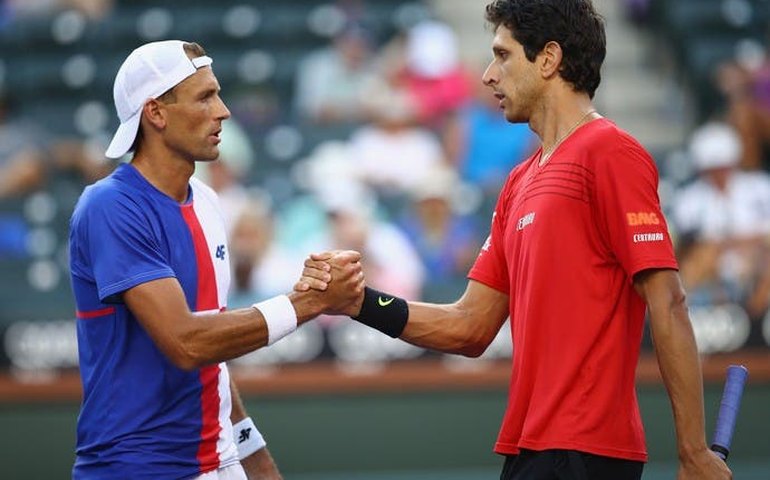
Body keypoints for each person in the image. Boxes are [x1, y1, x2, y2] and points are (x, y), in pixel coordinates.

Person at [296, 1, 732, 479]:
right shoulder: (518, 181)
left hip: (585, 452)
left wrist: (693, 452)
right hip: (530, 449)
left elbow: (668, 302)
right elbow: (468, 326)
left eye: (502, 56)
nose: (487, 75)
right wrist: (358, 302)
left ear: (548, 59)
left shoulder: (611, 152)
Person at [68, 40, 363, 480]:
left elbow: (214, 353)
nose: (223, 111)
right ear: (156, 113)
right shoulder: (110, 206)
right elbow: (188, 343)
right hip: (136, 469)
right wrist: (309, 303)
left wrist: (257, 463)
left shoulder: (206, 201)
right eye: (205, 97)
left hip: (220, 464)